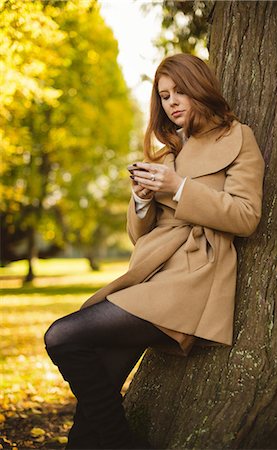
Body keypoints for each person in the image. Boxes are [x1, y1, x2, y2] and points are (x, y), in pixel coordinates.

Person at [44, 53, 265, 449]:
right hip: (151, 274)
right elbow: (139, 235)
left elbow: (246, 216)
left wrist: (179, 188)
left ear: (201, 87)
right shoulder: (168, 151)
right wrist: (143, 199)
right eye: (164, 96)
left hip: (192, 279)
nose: (172, 102)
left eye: (180, 91)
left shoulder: (238, 137)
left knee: (63, 335)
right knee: (92, 413)